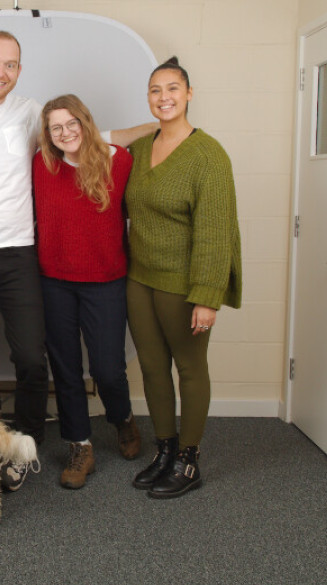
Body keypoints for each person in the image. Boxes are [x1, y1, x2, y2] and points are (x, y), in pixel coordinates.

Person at [0, 31, 155, 491]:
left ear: (19, 71)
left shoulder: (31, 113)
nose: (0, 72)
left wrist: (164, 126)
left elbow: (91, 138)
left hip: (21, 255)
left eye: (10, 65)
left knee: (32, 359)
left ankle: (24, 445)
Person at [124, 57, 242, 499]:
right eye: (155, 90)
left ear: (189, 94)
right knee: (153, 368)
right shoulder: (140, 149)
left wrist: (207, 298)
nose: (164, 97)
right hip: (140, 279)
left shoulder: (208, 155)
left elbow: (215, 233)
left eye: (172, 89)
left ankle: (189, 460)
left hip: (184, 284)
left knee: (189, 370)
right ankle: (165, 450)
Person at [33, 94, 141, 490]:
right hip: (54, 282)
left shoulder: (118, 160)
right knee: (66, 370)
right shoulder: (42, 164)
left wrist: (161, 122)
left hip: (105, 281)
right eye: (55, 127)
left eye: (71, 123)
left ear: (85, 121)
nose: (65, 133)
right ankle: (81, 446)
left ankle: (122, 419)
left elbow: (121, 138)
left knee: (108, 369)